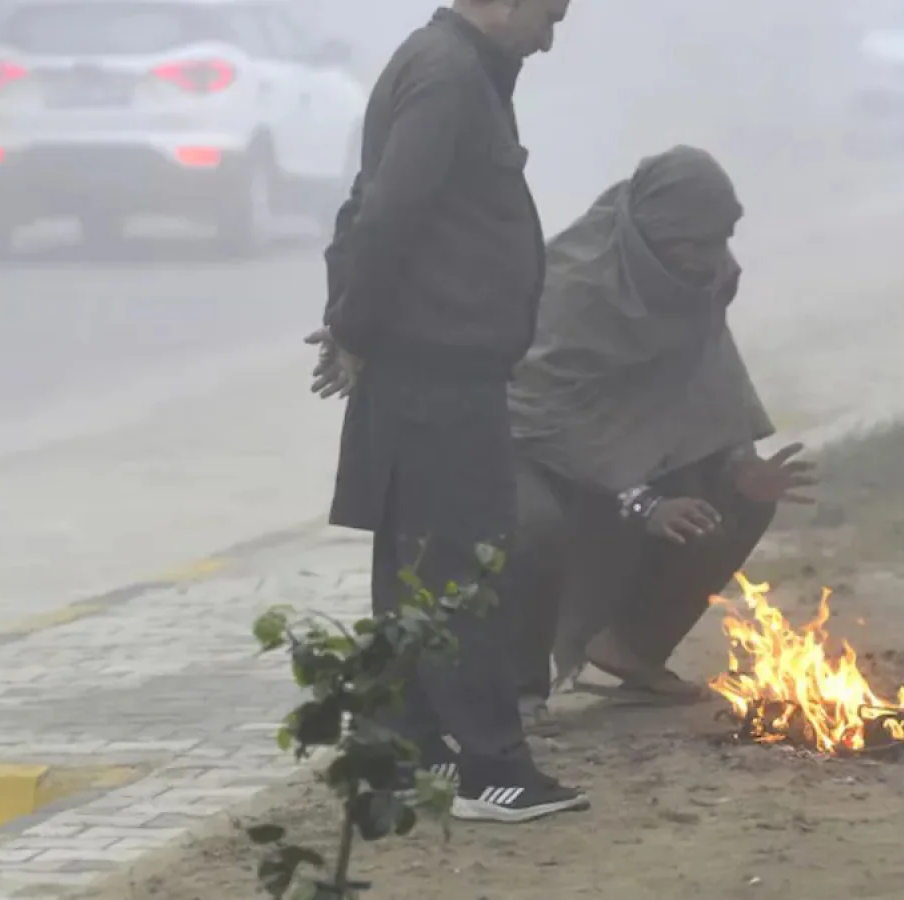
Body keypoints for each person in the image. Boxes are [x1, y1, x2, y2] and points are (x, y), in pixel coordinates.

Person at [307, 0, 586, 824]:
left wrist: (353, 323)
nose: (549, 36)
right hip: (433, 374)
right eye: (548, 15)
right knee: (460, 572)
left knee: (417, 572)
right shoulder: (447, 71)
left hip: (432, 368)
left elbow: (365, 208)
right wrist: (355, 328)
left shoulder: (458, 68)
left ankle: (406, 755)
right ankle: (492, 769)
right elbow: (386, 208)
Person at [500, 146, 816, 730]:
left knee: (740, 503)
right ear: (648, 235)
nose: (709, 259)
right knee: (535, 527)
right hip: (526, 444)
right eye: (692, 244)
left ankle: (630, 649)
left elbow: (708, 364)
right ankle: (515, 689)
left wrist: (740, 458)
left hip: (623, 444)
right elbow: (538, 411)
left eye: (720, 240)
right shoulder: (573, 286)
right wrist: (641, 499)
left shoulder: (705, 275)